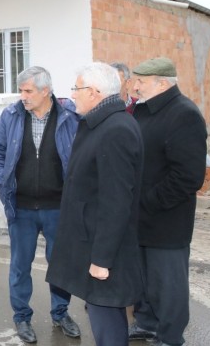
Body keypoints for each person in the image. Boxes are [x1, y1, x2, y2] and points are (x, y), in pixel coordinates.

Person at [46, 62, 144, 346]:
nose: (73, 95)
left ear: (95, 92)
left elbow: (116, 200)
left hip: (103, 249)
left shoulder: (115, 130)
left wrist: (102, 259)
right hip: (90, 239)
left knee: (108, 320)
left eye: (77, 89)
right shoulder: (98, 124)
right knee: (101, 315)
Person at [0, 66, 81, 343]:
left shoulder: (71, 117)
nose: (23, 96)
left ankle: (61, 313)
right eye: (21, 91)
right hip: (22, 207)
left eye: (28, 91)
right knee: (20, 266)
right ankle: (22, 318)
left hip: (58, 206)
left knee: (61, 265)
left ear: (46, 91)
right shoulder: (11, 115)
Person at [128, 57, 207, 346]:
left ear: (162, 83)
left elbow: (188, 177)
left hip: (166, 220)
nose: (135, 87)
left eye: (141, 81)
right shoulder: (142, 111)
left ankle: (170, 335)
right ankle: (146, 323)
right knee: (143, 278)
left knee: (168, 284)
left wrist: (147, 202)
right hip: (139, 216)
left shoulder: (183, 114)